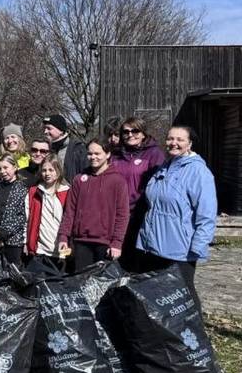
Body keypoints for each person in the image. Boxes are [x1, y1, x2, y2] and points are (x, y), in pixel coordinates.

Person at [137, 125, 218, 290]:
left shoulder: (198, 172)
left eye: (180, 139)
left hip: (181, 249)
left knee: (182, 296)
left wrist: (198, 247)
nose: (174, 143)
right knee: (158, 295)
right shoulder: (165, 167)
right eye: (170, 138)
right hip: (153, 244)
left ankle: (195, 317)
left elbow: (207, 214)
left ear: (190, 144)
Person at [56, 139, 130, 273]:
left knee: (103, 286)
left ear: (107, 154)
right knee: (82, 283)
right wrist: (63, 236)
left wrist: (117, 243)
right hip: (81, 242)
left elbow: (122, 215)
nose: (93, 157)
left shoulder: (118, 181)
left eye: (97, 153)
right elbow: (70, 211)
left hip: (105, 244)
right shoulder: (79, 179)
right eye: (90, 154)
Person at [112, 116, 167, 266]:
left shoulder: (154, 154)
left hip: (140, 213)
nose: (130, 135)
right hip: (116, 212)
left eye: (135, 131)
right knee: (117, 255)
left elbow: (159, 185)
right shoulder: (115, 155)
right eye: (126, 132)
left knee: (135, 256)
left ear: (143, 133)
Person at [26, 157, 70, 263]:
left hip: (61, 251)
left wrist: (66, 253)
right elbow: (27, 219)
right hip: (40, 250)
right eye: (44, 170)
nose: (47, 173)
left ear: (59, 171)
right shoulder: (34, 192)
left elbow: (70, 221)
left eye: (51, 170)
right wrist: (27, 243)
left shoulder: (68, 192)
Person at [42, 113, 89, 181]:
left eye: (49, 128)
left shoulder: (78, 150)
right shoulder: (46, 149)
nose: (45, 131)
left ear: (61, 130)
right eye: (44, 128)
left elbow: (85, 177)